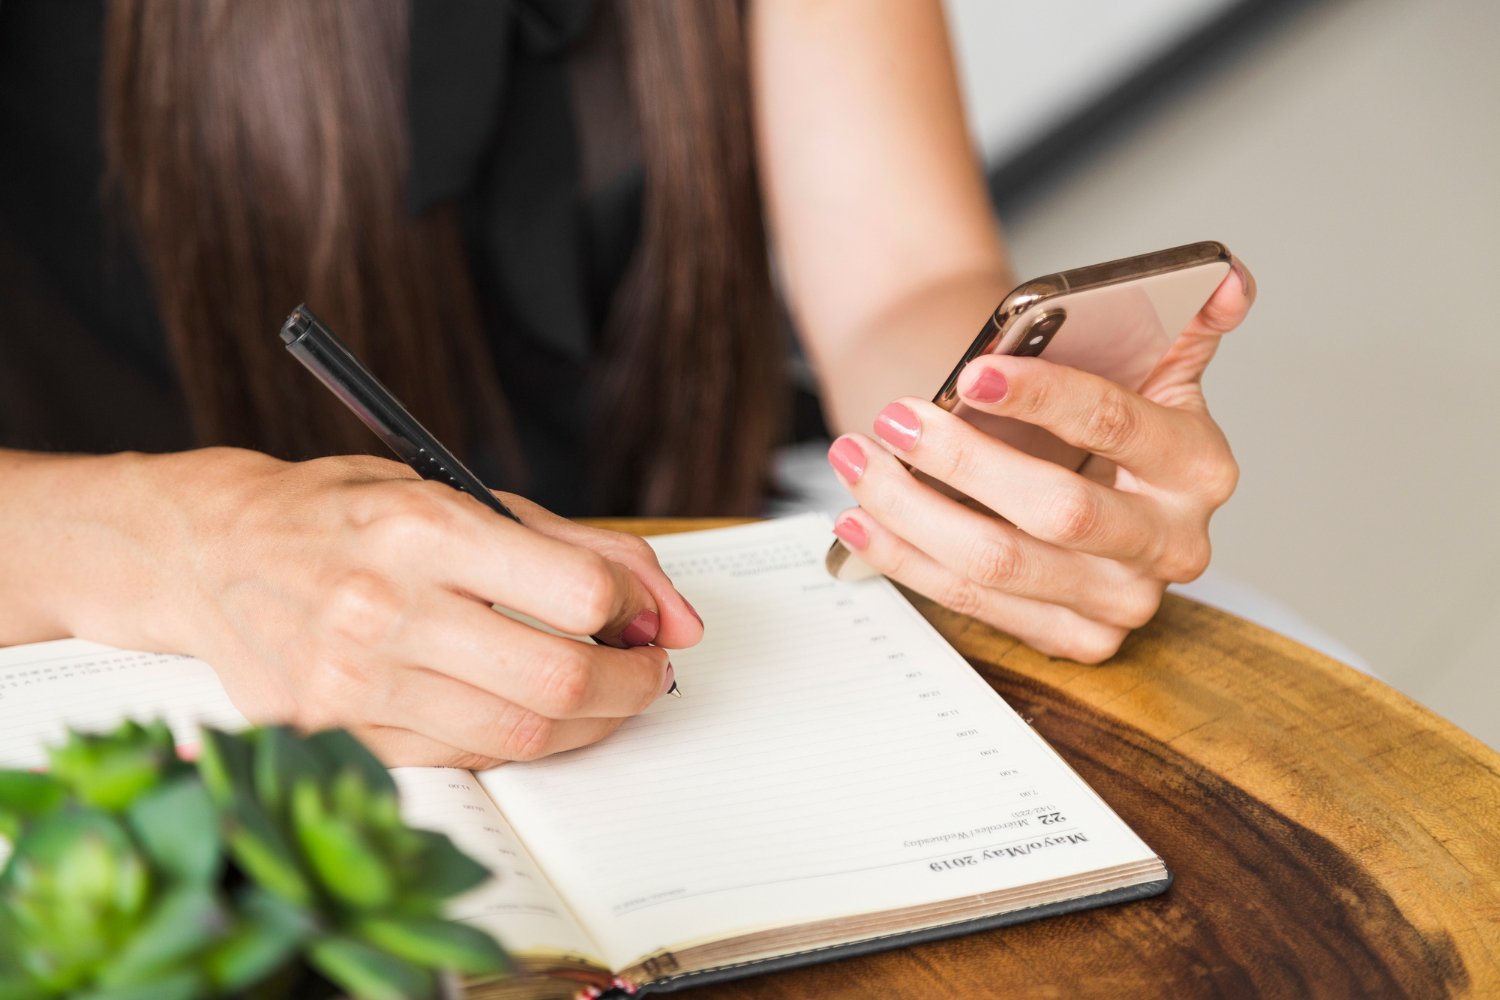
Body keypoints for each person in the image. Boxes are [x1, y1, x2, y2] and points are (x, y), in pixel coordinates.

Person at [0, 0, 1253, 768]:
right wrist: (188, 543)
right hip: (105, 647)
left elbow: (897, 278)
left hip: (673, 627)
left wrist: (1012, 446)